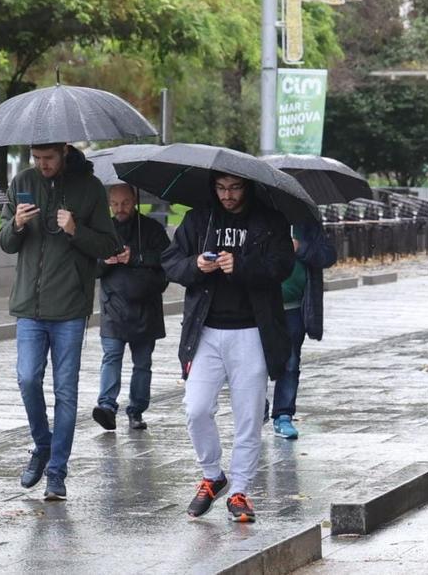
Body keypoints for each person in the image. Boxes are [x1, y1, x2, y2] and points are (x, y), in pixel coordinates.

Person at [162, 172, 293, 522]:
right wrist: (196, 265)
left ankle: (240, 491)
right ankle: (213, 475)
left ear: (247, 186)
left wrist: (242, 266)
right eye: (221, 188)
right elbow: (170, 262)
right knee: (195, 408)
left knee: (248, 416)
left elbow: (282, 266)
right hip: (205, 330)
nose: (228, 195)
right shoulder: (199, 219)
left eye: (234, 187)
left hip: (252, 330)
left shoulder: (269, 221)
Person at [0, 142, 120, 501]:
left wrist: (75, 229)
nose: (42, 164)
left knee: (65, 392)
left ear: (64, 152)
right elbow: (5, 242)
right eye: (36, 158)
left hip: (69, 308)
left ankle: (56, 472)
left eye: (48, 158)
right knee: (27, 378)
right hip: (28, 308)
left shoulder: (90, 188)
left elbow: (109, 245)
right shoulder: (22, 181)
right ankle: (42, 445)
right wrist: (17, 224)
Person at [92, 184, 170, 432]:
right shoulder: (103, 230)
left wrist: (134, 256)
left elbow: (168, 261)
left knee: (142, 363)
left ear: (134, 200)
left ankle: (136, 410)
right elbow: (89, 267)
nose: (120, 209)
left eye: (124, 203)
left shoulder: (152, 229)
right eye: (114, 204)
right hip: (113, 306)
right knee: (111, 356)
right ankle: (106, 406)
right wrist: (105, 262)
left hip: (146, 308)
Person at [270, 221, 337, 440]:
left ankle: (283, 415)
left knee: (290, 362)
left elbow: (328, 255)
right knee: (252, 363)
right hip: (258, 307)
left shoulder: (306, 222)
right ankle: (255, 407)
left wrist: (300, 247)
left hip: (294, 308)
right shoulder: (256, 217)